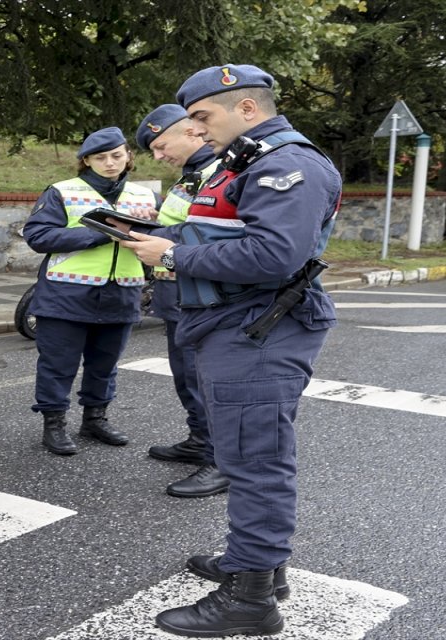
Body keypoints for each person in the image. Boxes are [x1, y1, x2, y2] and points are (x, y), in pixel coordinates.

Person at [120, 65, 341, 637]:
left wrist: (169, 256)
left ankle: (250, 601)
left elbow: (273, 257)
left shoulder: (287, 164)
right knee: (249, 455)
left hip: (259, 329)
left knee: (254, 463)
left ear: (246, 109)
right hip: (237, 324)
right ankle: (260, 567)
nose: (196, 130)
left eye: (201, 117)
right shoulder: (251, 160)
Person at [23, 127, 158, 456]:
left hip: (122, 293)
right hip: (66, 294)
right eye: (100, 158)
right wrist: (101, 234)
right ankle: (53, 423)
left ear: (128, 156)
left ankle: (95, 419)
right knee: (59, 363)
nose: (110, 163)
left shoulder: (145, 196)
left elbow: (162, 238)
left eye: (116, 155)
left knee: (105, 364)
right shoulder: (62, 191)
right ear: (86, 161)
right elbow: (38, 236)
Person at [133, 105, 229, 499]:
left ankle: (221, 460)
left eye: (161, 145)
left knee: (206, 378)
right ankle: (199, 440)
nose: (158, 157)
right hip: (178, 290)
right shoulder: (193, 176)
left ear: (191, 132)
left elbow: (209, 234)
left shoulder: (220, 171)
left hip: (203, 292)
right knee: (186, 375)